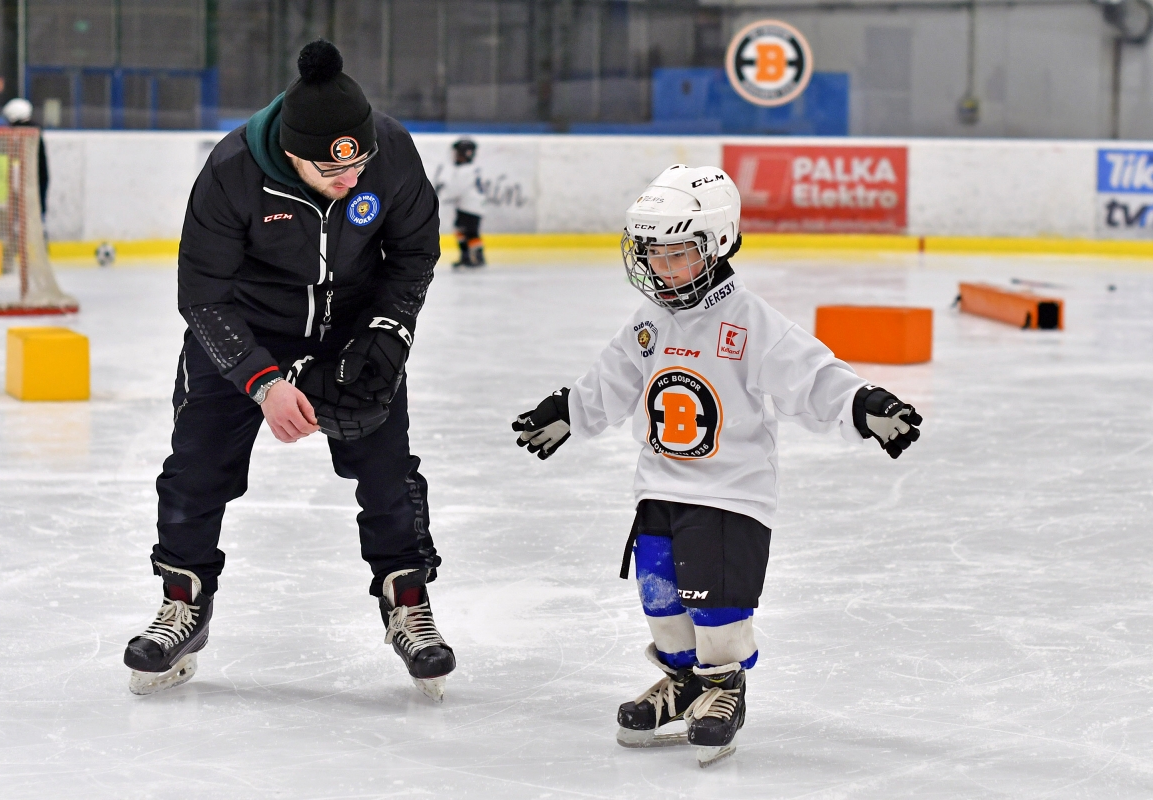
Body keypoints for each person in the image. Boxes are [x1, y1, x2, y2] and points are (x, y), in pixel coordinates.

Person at [511, 164, 922, 766]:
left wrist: (863, 405)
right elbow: (614, 376)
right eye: (652, 255)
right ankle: (681, 681)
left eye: (676, 255)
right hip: (658, 485)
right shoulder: (650, 321)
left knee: (715, 600)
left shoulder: (750, 322)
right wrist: (570, 411)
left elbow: (810, 375)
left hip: (729, 492)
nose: (660, 269)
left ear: (718, 244)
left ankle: (724, 685)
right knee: (660, 594)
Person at [123, 40, 456, 702]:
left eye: (361, 162)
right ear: (293, 154)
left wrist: (388, 331)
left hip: (351, 333)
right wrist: (263, 381)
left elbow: (415, 251)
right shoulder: (231, 172)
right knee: (194, 471)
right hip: (245, 334)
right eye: (334, 171)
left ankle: (407, 603)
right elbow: (202, 296)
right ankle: (183, 602)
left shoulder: (388, 152)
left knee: (389, 473)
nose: (353, 179)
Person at [1, 98, 49, 216]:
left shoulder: (24, 132)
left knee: (29, 211)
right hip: (38, 177)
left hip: (32, 178)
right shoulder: (34, 130)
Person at [443, 138, 486, 268]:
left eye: (458, 153)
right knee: (463, 230)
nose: (455, 156)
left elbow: (456, 189)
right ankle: (469, 256)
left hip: (469, 207)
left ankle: (475, 256)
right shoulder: (472, 169)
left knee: (469, 232)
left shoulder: (465, 170)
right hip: (470, 206)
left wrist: (444, 196)